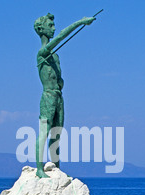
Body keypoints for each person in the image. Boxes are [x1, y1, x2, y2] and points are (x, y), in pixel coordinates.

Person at [34, 13, 96, 178]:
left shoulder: (55, 56)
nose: (54, 29)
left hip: (58, 96)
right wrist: (80, 22)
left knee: (57, 133)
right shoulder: (42, 52)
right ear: (41, 29)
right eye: (51, 25)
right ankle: (40, 169)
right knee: (44, 131)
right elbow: (61, 37)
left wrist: (60, 82)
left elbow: (57, 78)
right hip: (48, 97)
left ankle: (56, 166)